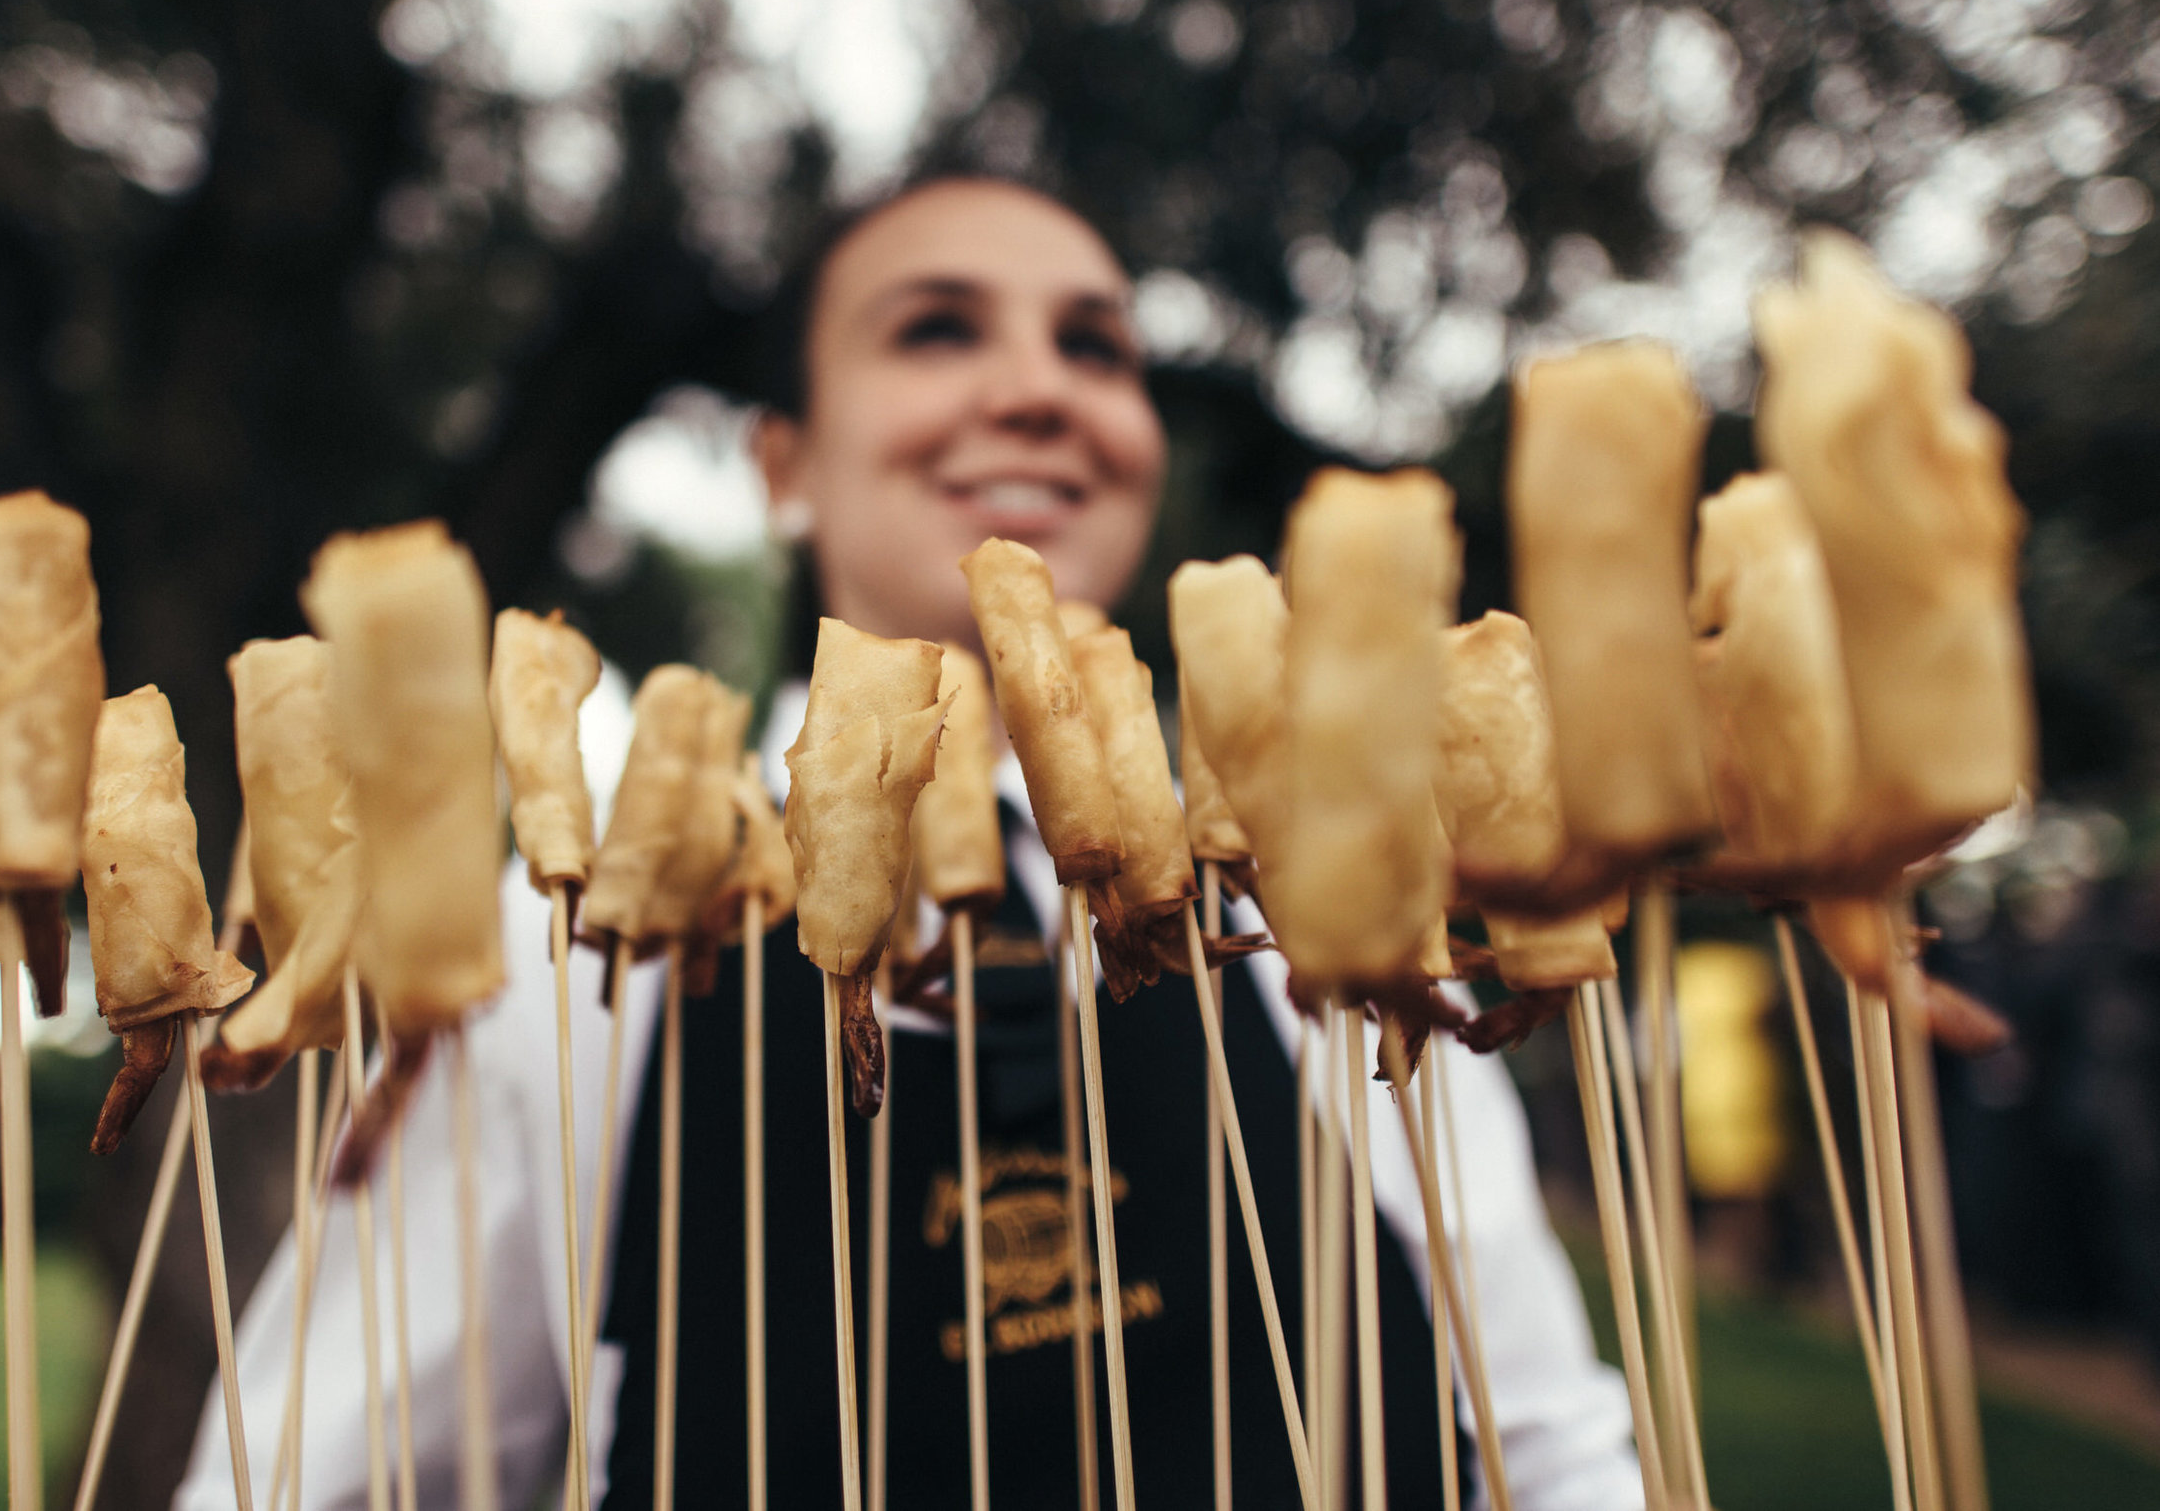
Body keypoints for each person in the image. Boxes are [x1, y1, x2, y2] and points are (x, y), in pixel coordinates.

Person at [176, 176, 1641, 1511]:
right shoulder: (564, 948)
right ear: (783, 463)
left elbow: (1544, 1437)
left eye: (1097, 347)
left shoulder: (1326, 893)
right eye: (937, 330)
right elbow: (307, 1476)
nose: (1037, 390)